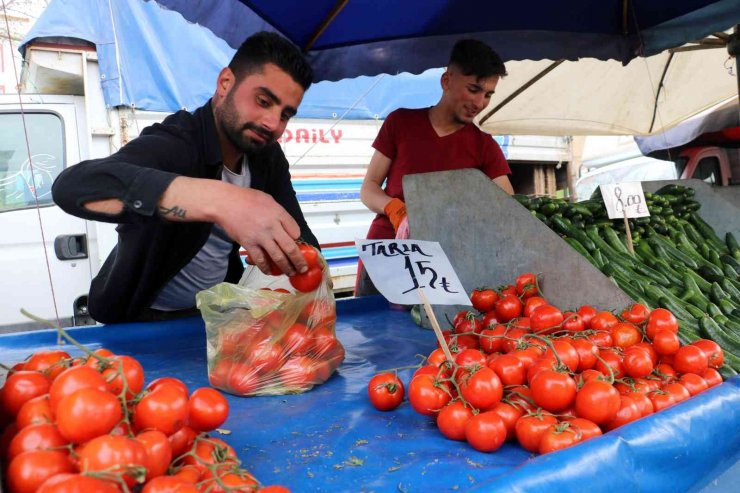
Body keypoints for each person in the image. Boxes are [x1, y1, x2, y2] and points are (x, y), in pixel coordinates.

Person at [52, 32, 319, 323]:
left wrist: (312, 273)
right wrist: (221, 201)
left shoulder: (267, 158)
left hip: (214, 314)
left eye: (285, 115)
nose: (273, 123)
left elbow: (299, 235)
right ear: (226, 83)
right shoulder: (178, 142)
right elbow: (72, 187)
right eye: (264, 101)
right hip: (140, 318)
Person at [356, 39, 514, 296]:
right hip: (386, 250)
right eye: (473, 89)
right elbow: (368, 188)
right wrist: (396, 210)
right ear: (446, 81)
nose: (480, 102)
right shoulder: (400, 122)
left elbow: (509, 206)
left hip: (443, 266)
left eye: (488, 94)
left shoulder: (485, 146)